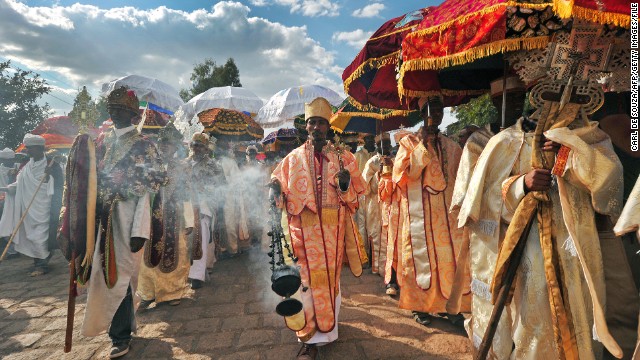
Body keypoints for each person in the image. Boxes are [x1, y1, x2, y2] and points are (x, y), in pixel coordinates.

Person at [458, 99, 625, 358]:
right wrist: (521, 184)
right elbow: (486, 199)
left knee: (581, 308)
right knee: (534, 316)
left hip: (577, 243)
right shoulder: (506, 141)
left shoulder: (589, 136)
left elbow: (610, 184)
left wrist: (571, 154)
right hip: (530, 244)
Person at [269, 97, 367, 360]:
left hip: (333, 234)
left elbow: (355, 200)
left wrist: (345, 186)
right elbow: (277, 188)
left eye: (322, 123)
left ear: (329, 127)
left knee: (330, 282)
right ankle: (308, 338)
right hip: (302, 233)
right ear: (306, 126)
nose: (317, 127)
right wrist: (274, 189)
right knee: (305, 284)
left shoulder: (344, 157)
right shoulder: (291, 160)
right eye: (312, 122)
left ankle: (329, 332)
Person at [80, 86, 165, 359]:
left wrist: (141, 229)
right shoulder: (101, 143)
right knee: (104, 276)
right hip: (102, 218)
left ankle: (120, 335)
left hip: (128, 218)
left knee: (120, 276)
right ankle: (122, 329)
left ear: (132, 115)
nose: (115, 113)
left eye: (121, 110)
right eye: (112, 109)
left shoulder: (145, 145)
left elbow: (150, 190)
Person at [448, 75, 527, 352]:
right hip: (489, 229)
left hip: (523, 226)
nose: (517, 103)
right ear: (496, 101)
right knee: (490, 293)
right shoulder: (478, 141)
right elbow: (467, 192)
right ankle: (491, 347)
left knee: (521, 296)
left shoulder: (529, 136)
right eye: (510, 97)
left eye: (521, 97)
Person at [392, 96, 469, 326]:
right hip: (420, 215)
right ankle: (420, 306)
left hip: (446, 217)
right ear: (422, 110)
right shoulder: (408, 143)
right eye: (431, 108)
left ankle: (450, 306)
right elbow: (402, 174)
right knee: (419, 261)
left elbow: (461, 178)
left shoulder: (451, 146)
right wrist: (420, 147)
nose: (436, 112)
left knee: (449, 261)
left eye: (439, 108)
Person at [137, 123, 195, 307]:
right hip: (152, 214)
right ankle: (147, 292)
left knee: (176, 251)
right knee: (148, 253)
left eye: (168, 144)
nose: (164, 147)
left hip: (174, 215)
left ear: (175, 146)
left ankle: (172, 292)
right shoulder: (150, 165)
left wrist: (189, 219)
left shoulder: (182, 168)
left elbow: (187, 194)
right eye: (162, 143)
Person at [2, 134, 62, 275]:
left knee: (40, 235)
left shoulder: (51, 164)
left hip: (45, 207)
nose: (27, 151)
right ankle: (40, 260)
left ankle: (41, 264)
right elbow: (19, 183)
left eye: (30, 148)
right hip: (29, 208)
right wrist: (8, 188)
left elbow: (59, 185)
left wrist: (49, 177)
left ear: (39, 148)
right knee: (32, 235)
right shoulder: (27, 167)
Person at [187, 133, 224, 289]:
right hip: (185, 205)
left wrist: (204, 189)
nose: (196, 148)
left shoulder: (214, 165)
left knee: (200, 240)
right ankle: (186, 273)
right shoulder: (184, 164)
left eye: (200, 145)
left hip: (204, 206)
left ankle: (197, 275)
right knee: (187, 242)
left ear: (206, 148)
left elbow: (221, 186)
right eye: (194, 145)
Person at [215, 139, 250, 256]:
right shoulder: (212, 162)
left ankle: (233, 249)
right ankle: (220, 249)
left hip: (228, 196)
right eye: (218, 147)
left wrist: (224, 181)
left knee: (229, 223)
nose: (219, 150)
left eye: (222, 147)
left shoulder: (230, 162)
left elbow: (237, 180)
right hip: (215, 197)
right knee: (217, 224)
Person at [355, 133, 376, 264]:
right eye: (367, 139)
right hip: (361, 196)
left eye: (372, 138)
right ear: (363, 140)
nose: (370, 141)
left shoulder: (378, 155)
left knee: (374, 226)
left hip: (375, 196)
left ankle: (375, 255)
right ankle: (364, 256)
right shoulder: (357, 156)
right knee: (361, 226)